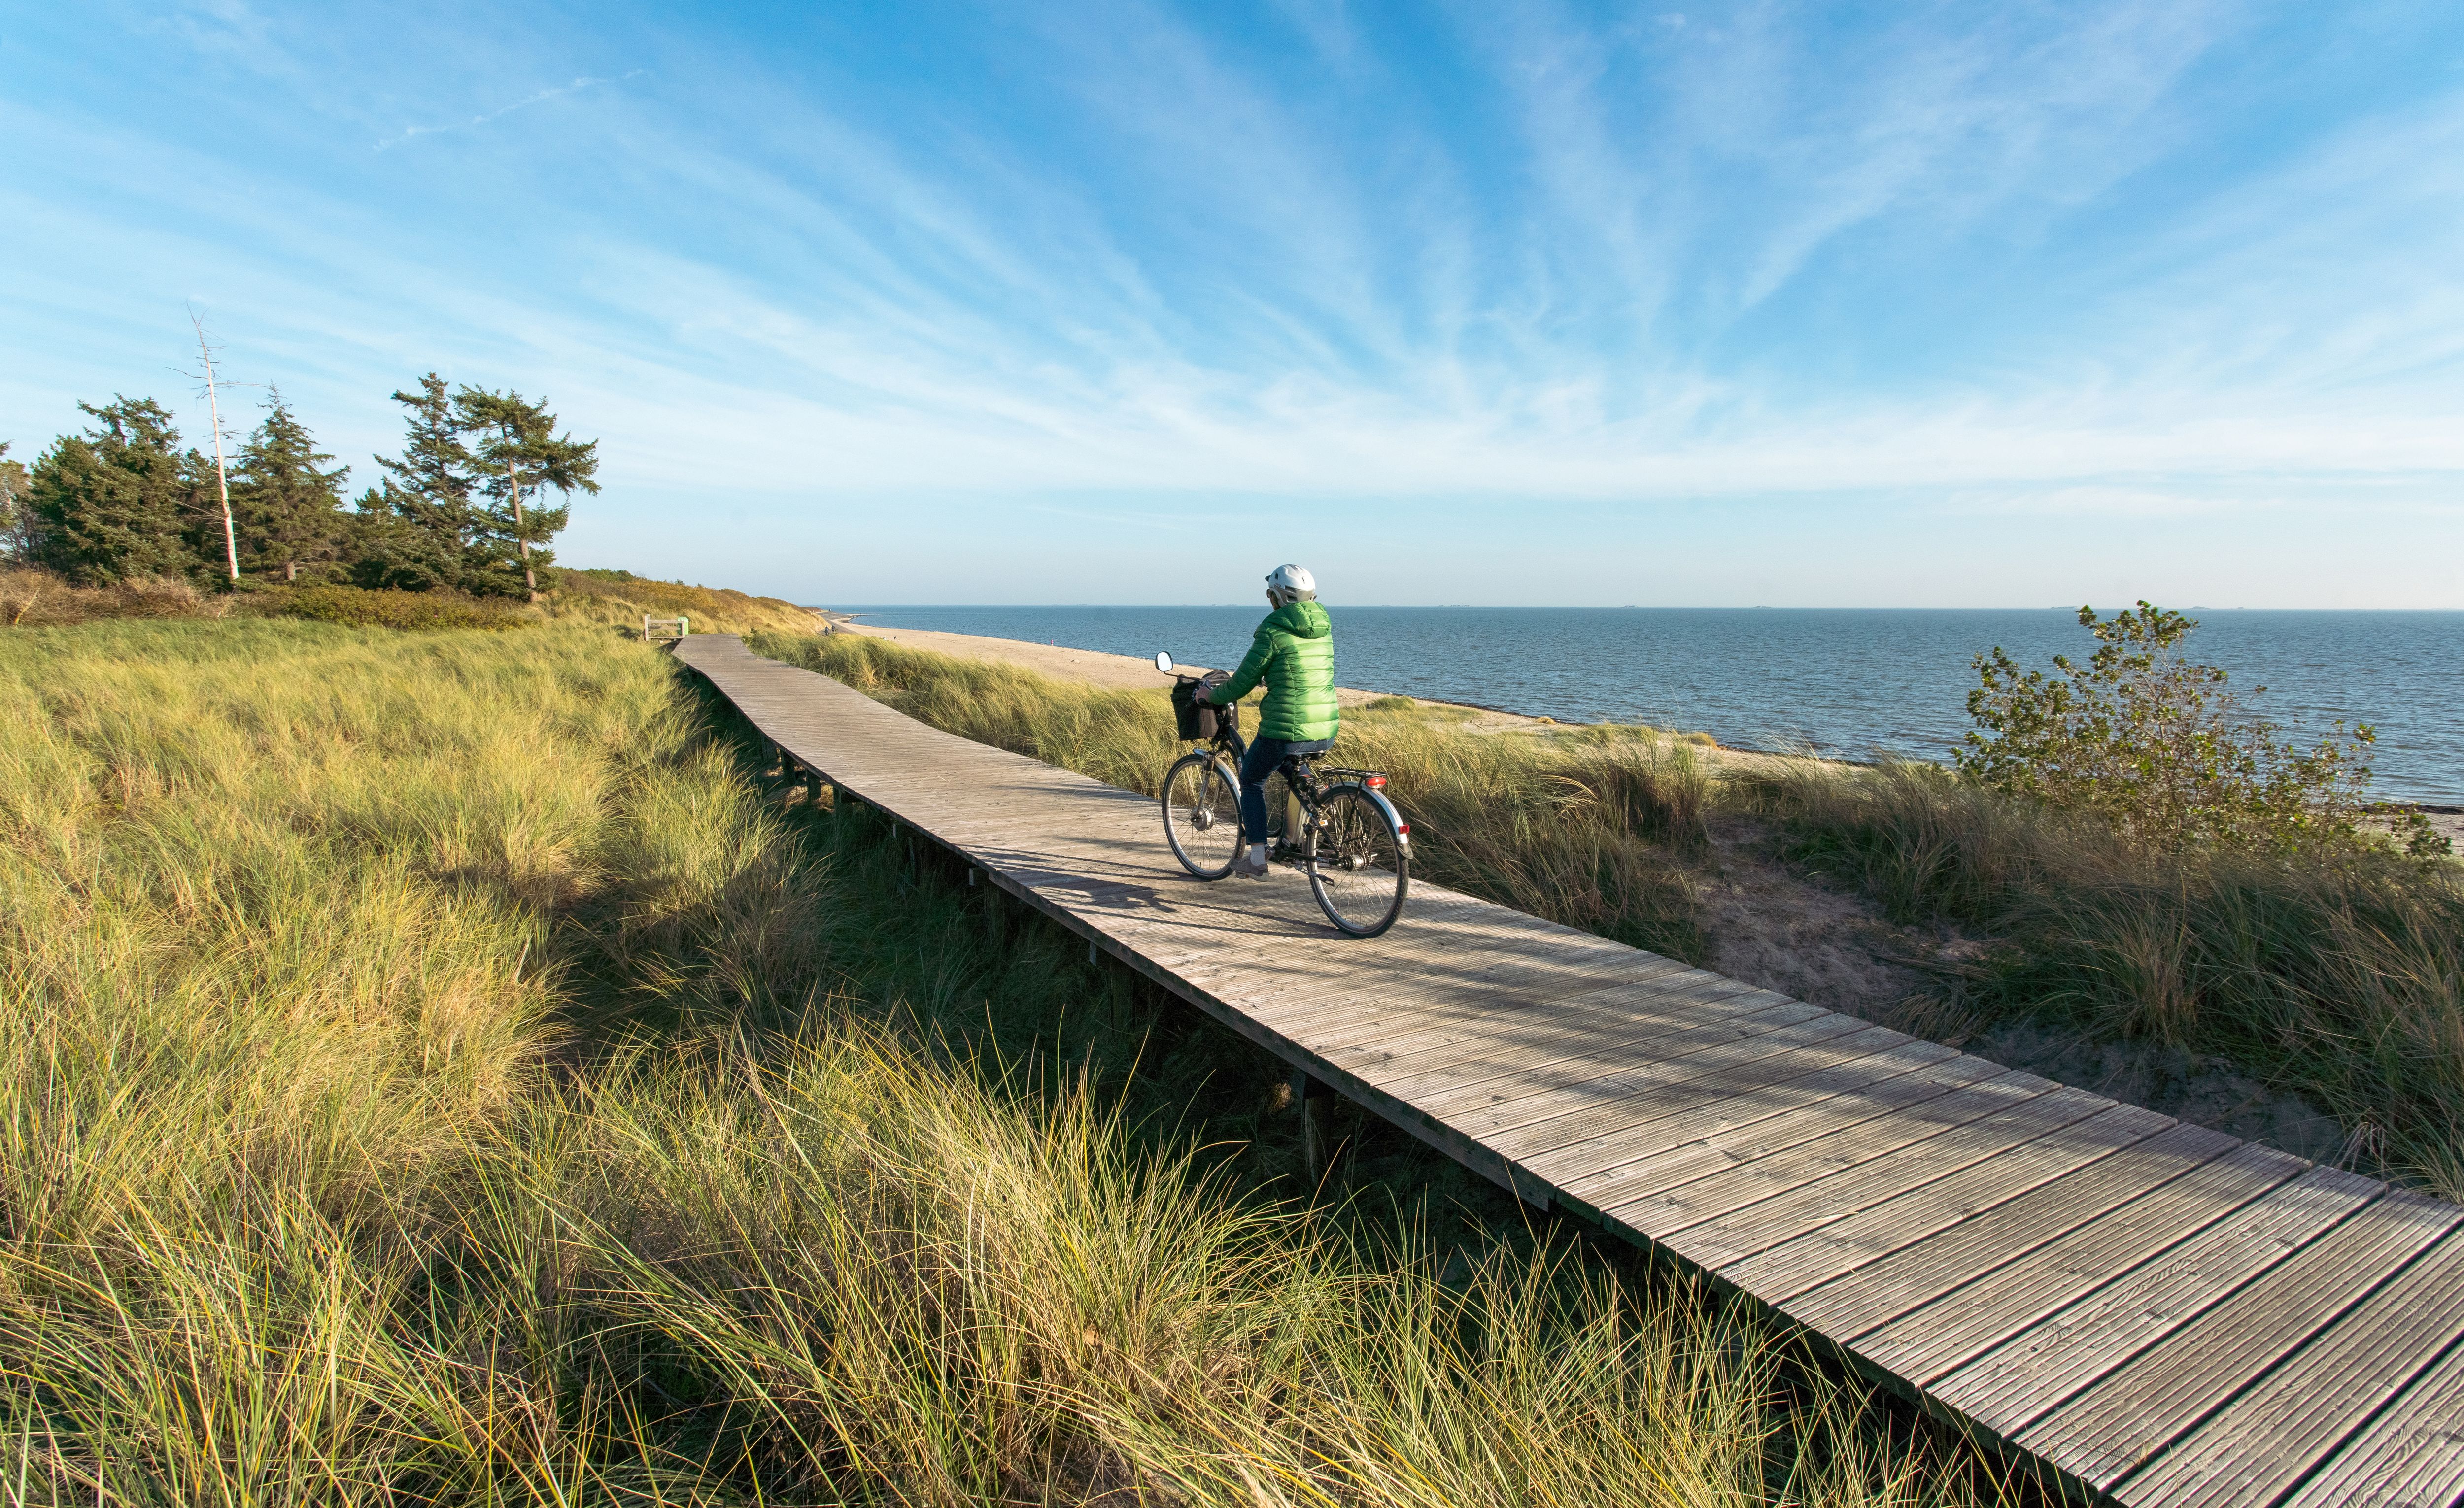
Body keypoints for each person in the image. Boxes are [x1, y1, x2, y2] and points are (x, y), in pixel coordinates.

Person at [1199, 564, 1338, 878]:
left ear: (1277, 598)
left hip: (1286, 727)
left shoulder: (1273, 631)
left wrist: (1211, 696)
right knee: (1296, 773)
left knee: (1251, 780)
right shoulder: (1324, 630)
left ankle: (1258, 858)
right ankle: (1298, 844)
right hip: (1326, 726)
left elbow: (1242, 683)